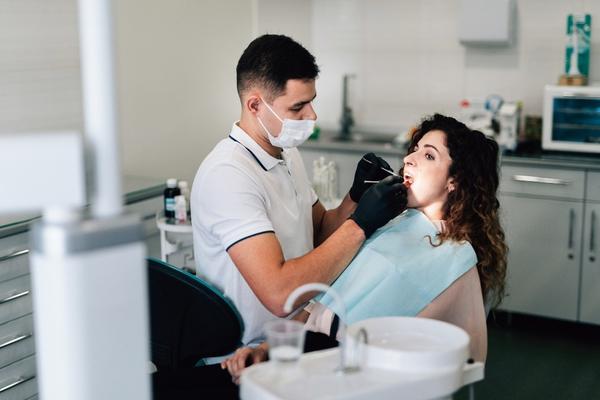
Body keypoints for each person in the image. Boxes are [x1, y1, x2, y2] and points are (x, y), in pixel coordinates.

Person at [222, 114, 508, 381]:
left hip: (346, 373)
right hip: (309, 356)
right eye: (415, 149)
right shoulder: (392, 223)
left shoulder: (456, 258)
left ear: (454, 181)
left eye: (429, 155)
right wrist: (267, 348)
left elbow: (464, 358)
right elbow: (320, 304)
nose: (409, 159)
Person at [191, 34, 407, 350]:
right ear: (255, 105)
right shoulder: (228, 174)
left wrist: (355, 197)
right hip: (250, 353)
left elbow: (318, 232)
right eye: (298, 107)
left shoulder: (286, 153)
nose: (312, 116)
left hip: (299, 330)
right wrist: (360, 225)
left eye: (311, 101)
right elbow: (279, 294)